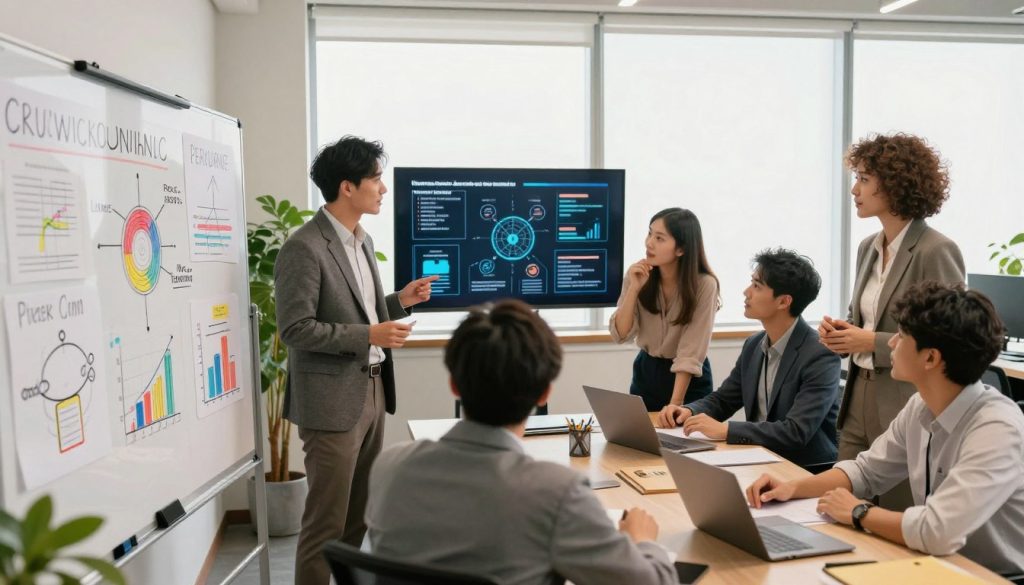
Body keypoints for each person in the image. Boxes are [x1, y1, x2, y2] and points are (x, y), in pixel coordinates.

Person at [365, 299, 677, 585]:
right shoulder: (556, 493)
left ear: (454, 385)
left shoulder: (390, 466)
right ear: (544, 394)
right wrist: (643, 541)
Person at [746, 282, 1024, 579]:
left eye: (902, 336)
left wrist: (859, 512)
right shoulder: (921, 405)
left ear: (930, 358)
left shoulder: (997, 427)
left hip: (993, 576)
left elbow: (938, 530)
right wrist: (793, 487)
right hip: (937, 564)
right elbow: (866, 472)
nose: (890, 344)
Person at [274, 135, 438, 585]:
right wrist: (369, 334)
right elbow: (295, 329)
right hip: (331, 401)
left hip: (372, 388)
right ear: (347, 187)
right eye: (375, 179)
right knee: (325, 524)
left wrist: (400, 301)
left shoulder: (361, 242)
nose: (383, 189)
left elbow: (360, 311)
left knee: (357, 519)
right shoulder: (304, 247)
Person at [819, 133, 965, 510]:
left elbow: (947, 336)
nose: (854, 189)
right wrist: (840, 333)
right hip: (857, 396)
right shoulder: (868, 247)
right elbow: (862, 318)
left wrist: (869, 342)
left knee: (897, 513)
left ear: (897, 185)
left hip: (906, 398)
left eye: (865, 179)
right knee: (838, 505)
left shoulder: (936, 250)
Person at [657, 248, 841, 468]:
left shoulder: (820, 353)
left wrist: (726, 430)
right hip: (759, 457)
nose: (746, 292)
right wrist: (689, 410)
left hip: (804, 468)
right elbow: (724, 399)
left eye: (757, 286)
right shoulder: (754, 344)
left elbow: (796, 431)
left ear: (783, 302)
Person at [610, 208, 720, 419]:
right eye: (650, 233)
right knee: (641, 444)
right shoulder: (638, 275)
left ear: (681, 249)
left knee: (686, 443)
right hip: (647, 371)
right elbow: (621, 334)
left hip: (688, 380)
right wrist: (634, 288)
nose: (649, 243)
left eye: (659, 238)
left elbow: (690, 351)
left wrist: (675, 403)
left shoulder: (705, 285)